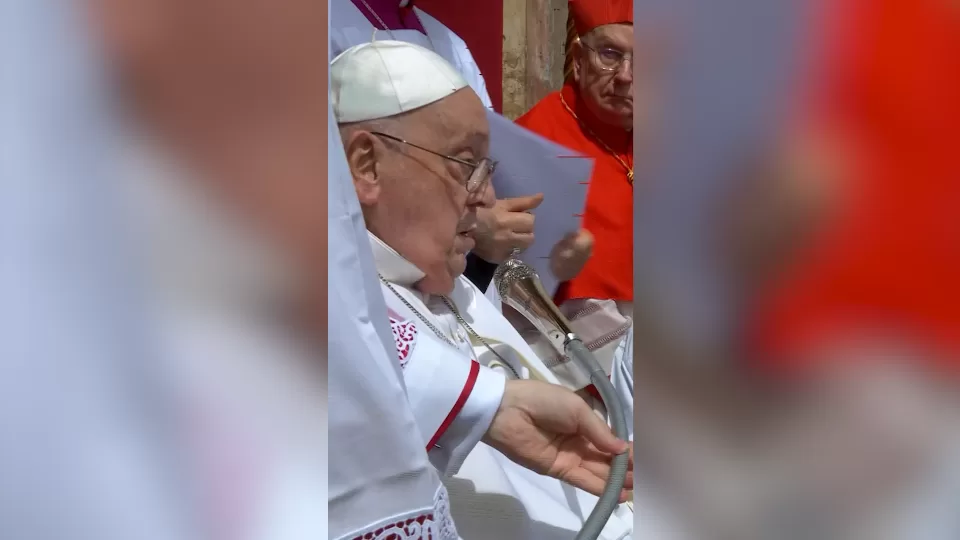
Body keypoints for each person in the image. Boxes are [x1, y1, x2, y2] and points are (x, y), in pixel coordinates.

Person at [332, 40, 634, 539]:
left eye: (487, 168)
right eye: (465, 163)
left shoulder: (454, 284)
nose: (488, 197)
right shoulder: (340, 324)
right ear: (366, 165)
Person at [330, 0, 563, 293]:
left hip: (456, 281)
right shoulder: (319, 22)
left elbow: (480, 154)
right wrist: (472, 223)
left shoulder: (448, 41)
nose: (487, 197)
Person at [512, 0, 635, 405]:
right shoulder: (530, 142)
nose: (626, 76)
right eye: (610, 54)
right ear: (579, 60)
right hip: (579, 385)